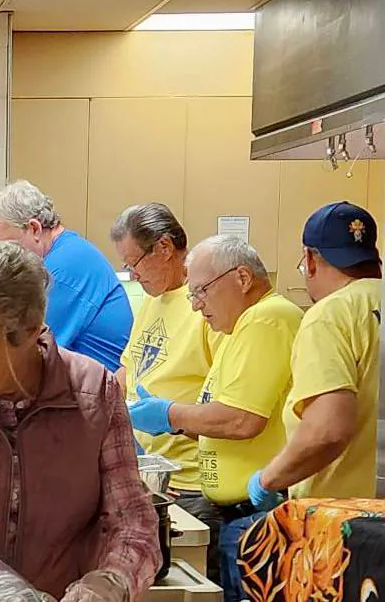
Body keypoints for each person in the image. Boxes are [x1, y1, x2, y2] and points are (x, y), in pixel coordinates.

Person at [0, 241, 159, 602]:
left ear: (31, 331)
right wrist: (2, 593)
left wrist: (109, 583)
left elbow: (132, 522)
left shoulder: (94, 393)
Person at [127, 235, 301, 601]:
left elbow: (242, 420)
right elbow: (229, 419)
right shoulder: (241, 328)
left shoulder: (266, 319)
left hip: (256, 511)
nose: (195, 307)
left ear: (241, 278)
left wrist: (171, 415)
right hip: (236, 512)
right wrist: (182, 424)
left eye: (201, 291)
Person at [109, 203, 223, 581]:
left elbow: (228, 405)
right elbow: (130, 367)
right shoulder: (152, 303)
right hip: (155, 480)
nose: (132, 274)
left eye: (134, 263)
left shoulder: (207, 306)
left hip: (195, 483)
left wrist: (171, 418)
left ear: (163, 248)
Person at [251, 202, 382, 506]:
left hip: (349, 526)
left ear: (309, 260)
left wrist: (267, 480)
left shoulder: (332, 315)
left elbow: (327, 430)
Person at [0, 180, 132, 371]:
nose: (7, 258)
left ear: (35, 229)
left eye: (9, 247)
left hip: (94, 389)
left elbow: (22, 352)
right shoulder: (69, 251)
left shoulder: (62, 270)